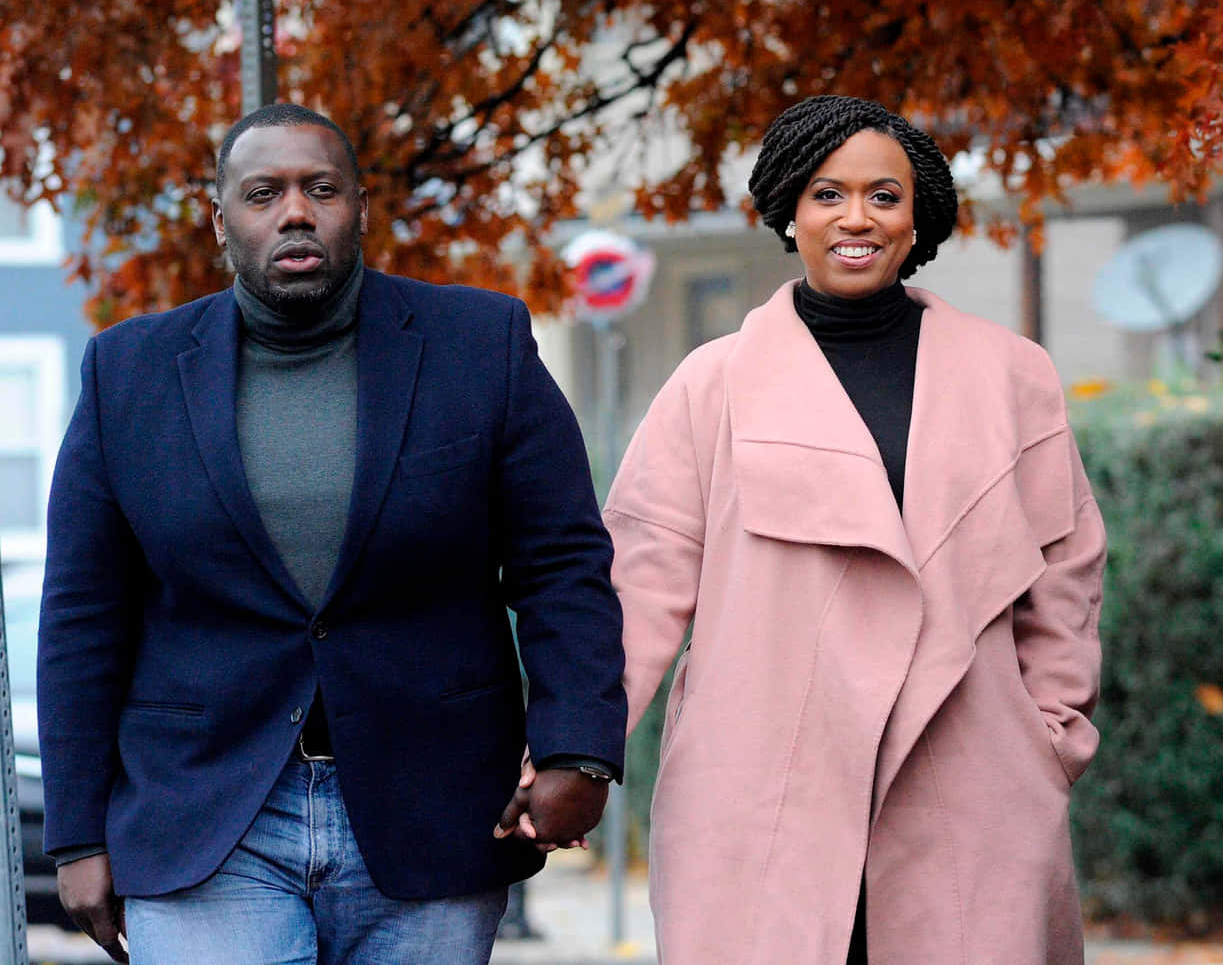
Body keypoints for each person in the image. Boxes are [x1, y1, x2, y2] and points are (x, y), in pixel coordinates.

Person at [39, 103, 627, 964]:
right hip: (204, 812)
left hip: (431, 811)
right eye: (263, 192)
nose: (295, 212)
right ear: (222, 222)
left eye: (321, 189)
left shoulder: (481, 345)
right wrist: (77, 833)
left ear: (360, 208)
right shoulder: (128, 372)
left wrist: (581, 750)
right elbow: (84, 614)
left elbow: (562, 565)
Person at [606, 94, 1107, 964]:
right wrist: (574, 752)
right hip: (763, 782)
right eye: (827, 194)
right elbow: (639, 583)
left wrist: (1051, 736)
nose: (856, 218)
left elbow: (1066, 568)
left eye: (885, 195)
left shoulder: (1011, 375)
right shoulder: (711, 385)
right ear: (788, 211)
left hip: (971, 782)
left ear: (920, 220)